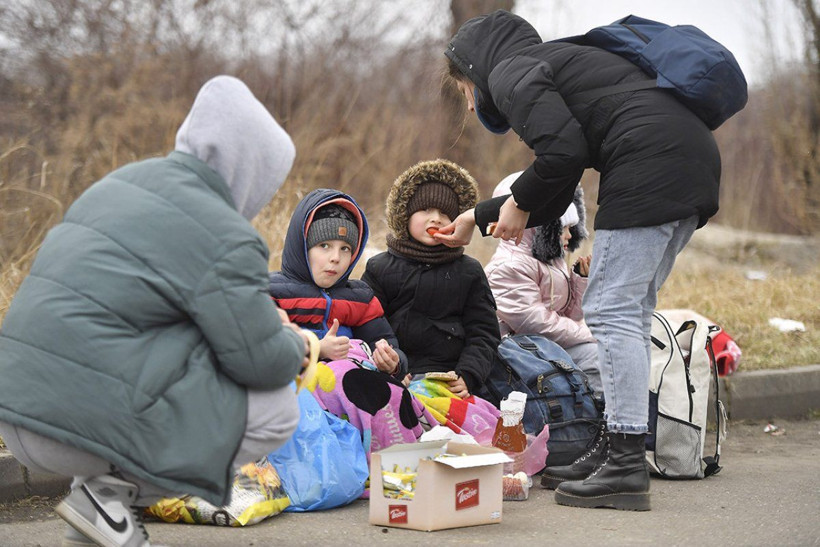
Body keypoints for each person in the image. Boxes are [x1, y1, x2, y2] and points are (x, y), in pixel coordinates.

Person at [0, 75, 309, 546]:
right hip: (70, 425)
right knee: (278, 406)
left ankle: (99, 515)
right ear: (248, 169)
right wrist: (298, 343)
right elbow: (260, 361)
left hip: (15, 408)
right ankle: (110, 492)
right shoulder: (224, 232)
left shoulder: (118, 184)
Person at [439, 10, 723, 511]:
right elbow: (557, 179)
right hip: (690, 160)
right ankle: (615, 450)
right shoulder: (553, 63)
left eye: (464, 88)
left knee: (611, 312)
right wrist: (477, 216)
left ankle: (625, 464)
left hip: (648, 165)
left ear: (475, 70)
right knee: (627, 313)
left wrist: (519, 202)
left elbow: (561, 156)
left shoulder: (509, 73)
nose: (468, 99)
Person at [362, 159, 501, 400]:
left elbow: (484, 333)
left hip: (449, 379)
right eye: (425, 210)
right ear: (404, 215)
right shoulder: (380, 268)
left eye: (445, 214)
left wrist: (468, 375)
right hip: (395, 373)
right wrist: (391, 364)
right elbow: (368, 324)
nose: (435, 219)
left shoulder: (469, 271)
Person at [484, 171, 602, 395]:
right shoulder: (509, 267)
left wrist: (580, 281)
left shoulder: (550, 263)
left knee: (607, 351)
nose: (569, 235)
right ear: (541, 227)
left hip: (542, 348)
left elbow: (569, 317)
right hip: (516, 356)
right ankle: (600, 416)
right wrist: (591, 332)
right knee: (599, 356)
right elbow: (536, 325)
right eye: (563, 228)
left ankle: (598, 412)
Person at [268, 188, 407, 377]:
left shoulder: (360, 298)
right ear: (302, 247)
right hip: (299, 390)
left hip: (350, 391)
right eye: (324, 246)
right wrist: (317, 349)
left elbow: (385, 342)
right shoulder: (273, 292)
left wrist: (393, 362)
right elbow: (264, 351)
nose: (336, 258)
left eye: (345, 248)